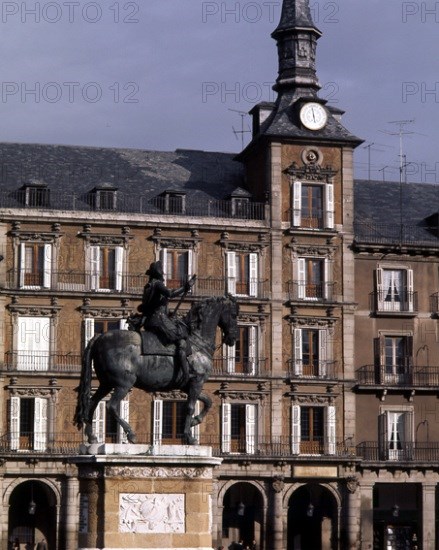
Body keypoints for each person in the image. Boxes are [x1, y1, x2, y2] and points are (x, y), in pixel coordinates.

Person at [139, 260, 196, 381]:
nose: (163, 274)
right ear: (158, 273)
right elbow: (170, 294)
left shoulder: (149, 285)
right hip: (158, 319)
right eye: (162, 272)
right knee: (181, 338)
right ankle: (185, 374)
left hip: (151, 320)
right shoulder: (158, 284)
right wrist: (185, 287)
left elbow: (153, 304)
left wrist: (168, 313)